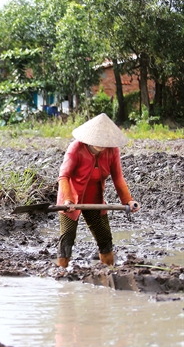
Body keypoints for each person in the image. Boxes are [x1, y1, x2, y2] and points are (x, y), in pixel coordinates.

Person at [56, 113, 140, 268]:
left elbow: (118, 178)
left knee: (104, 237)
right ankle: (61, 271)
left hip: (95, 198)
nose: (101, 144)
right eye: (97, 139)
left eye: (104, 140)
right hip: (71, 198)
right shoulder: (76, 148)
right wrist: (67, 200)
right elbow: (64, 176)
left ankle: (109, 269)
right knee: (67, 236)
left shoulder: (112, 151)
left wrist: (128, 200)